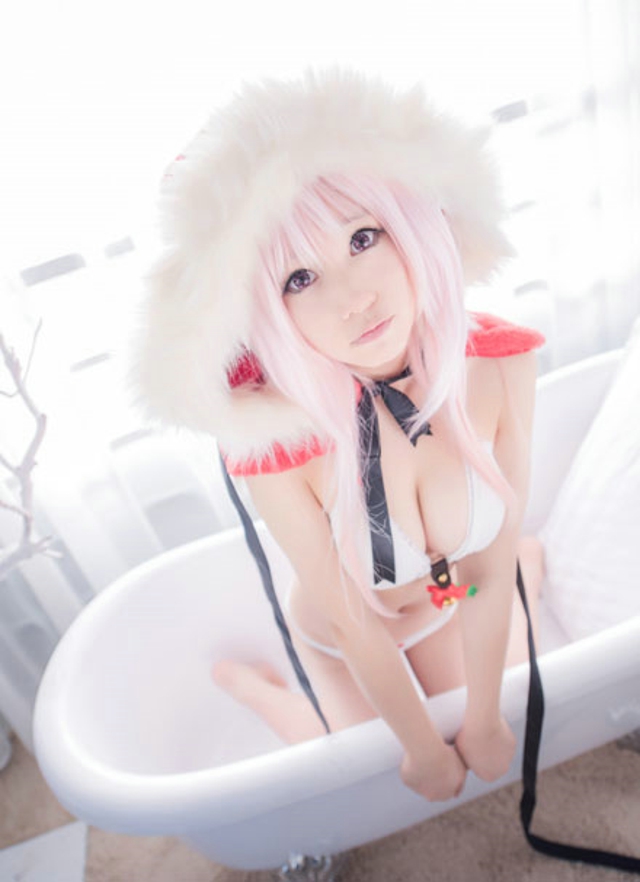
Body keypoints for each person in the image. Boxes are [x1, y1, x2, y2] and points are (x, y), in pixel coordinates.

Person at [133, 67, 546, 804]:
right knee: (363, 775)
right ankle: (259, 690)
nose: (354, 298)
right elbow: (359, 628)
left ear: (411, 224)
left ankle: (531, 576)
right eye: (298, 278)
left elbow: (492, 555)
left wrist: (484, 719)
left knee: (499, 700)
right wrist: (422, 751)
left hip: (454, 594)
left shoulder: (502, 363)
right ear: (262, 316)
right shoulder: (279, 448)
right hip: (344, 635)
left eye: (362, 237)